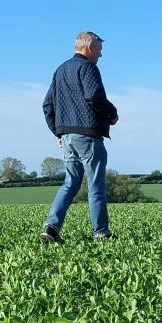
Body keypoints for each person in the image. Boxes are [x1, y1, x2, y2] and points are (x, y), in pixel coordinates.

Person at [40, 30, 118, 243]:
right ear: (89, 47)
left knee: (70, 183)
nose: (100, 55)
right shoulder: (88, 68)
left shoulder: (60, 70)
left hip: (67, 138)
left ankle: (51, 227)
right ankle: (101, 233)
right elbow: (94, 96)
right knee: (96, 185)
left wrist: (58, 131)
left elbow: (47, 105)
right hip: (89, 137)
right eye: (100, 50)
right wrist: (112, 113)